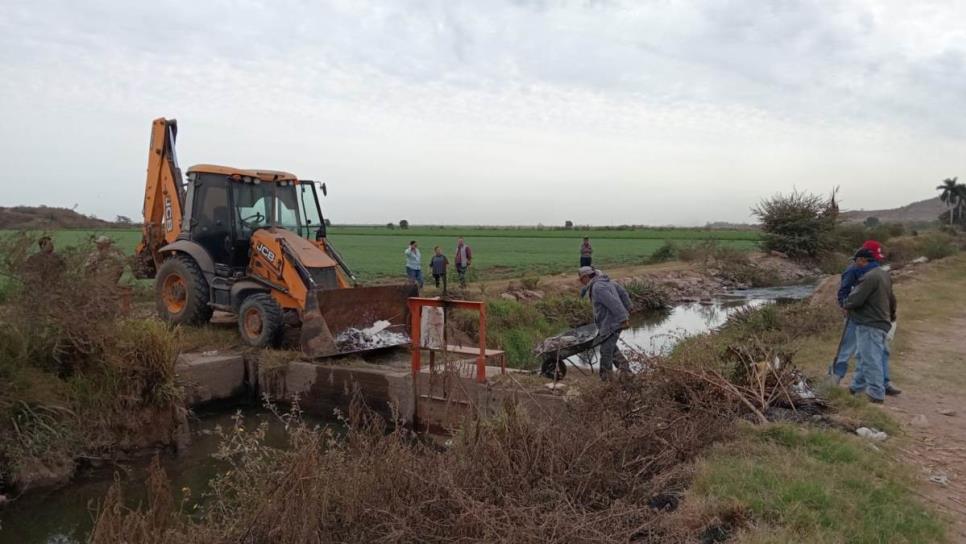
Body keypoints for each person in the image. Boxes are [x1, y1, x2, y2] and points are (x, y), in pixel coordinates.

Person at [828, 240, 901, 395]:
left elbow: (889, 295)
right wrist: (844, 306)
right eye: (874, 257)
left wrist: (891, 313)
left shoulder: (878, 272)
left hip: (873, 316)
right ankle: (835, 377)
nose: (876, 261)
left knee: (880, 350)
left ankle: (883, 381)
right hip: (855, 314)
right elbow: (843, 291)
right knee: (847, 348)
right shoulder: (853, 270)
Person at [842, 248, 897, 403]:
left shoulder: (869, 277)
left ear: (863, 260)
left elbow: (856, 299)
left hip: (869, 322)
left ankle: (876, 393)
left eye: (856, 260)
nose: (854, 263)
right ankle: (856, 387)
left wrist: (846, 304)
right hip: (882, 321)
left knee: (870, 358)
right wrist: (891, 316)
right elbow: (892, 298)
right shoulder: (883, 274)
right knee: (864, 355)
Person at [579, 266, 631, 380]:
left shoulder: (598, 287)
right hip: (609, 323)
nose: (581, 282)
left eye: (581, 279)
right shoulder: (606, 282)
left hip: (611, 324)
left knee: (606, 352)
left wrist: (623, 318)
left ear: (586, 277)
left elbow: (613, 303)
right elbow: (623, 293)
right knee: (611, 348)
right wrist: (629, 308)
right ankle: (626, 373)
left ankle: (606, 381)